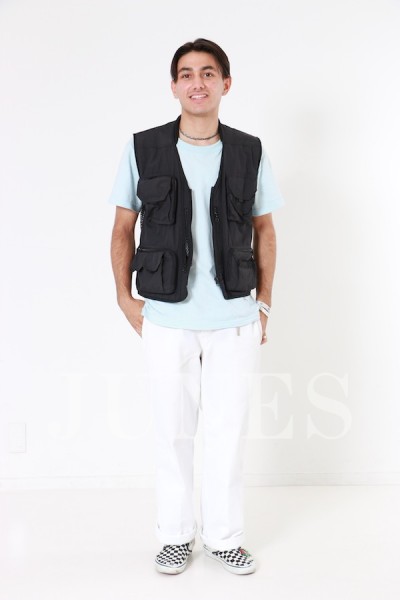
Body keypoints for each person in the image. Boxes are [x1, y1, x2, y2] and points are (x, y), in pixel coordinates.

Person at [109, 38, 284, 575]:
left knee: (228, 434)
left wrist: (264, 305)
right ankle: (176, 537)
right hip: (166, 319)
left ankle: (224, 537)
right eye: (186, 74)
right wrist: (124, 298)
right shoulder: (143, 148)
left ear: (225, 84)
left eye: (208, 73)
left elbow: (265, 230)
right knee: (172, 433)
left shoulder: (250, 151)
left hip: (235, 320)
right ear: (174, 86)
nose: (197, 82)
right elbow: (122, 228)